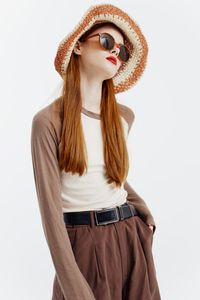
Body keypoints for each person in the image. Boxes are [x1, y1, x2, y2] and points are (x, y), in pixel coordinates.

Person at [31, 3, 161, 300]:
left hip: (130, 237)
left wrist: (143, 211)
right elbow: (50, 212)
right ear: (78, 47)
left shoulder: (124, 117)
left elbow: (110, 174)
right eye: (105, 41)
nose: (116, 50)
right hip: (84, 245)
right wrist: (73, 286)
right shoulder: (49, 121)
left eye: (122, 50)